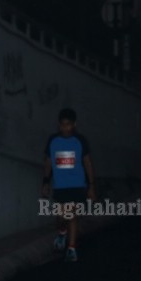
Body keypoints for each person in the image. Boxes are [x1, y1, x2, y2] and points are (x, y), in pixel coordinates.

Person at [41, 107, 95, 263]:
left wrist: (91, 185)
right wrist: (45, 181)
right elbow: (48, 162)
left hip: (77, 185)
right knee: (61, 216)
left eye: (68, 124)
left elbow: (87, 163)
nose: (65, 128)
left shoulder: (80, 141)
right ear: (59, 125)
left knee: (72, 216)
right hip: (60, 186)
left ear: (74, 124)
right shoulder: (53, 141)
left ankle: (71, 248)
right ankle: (62, 231)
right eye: (62, 125)